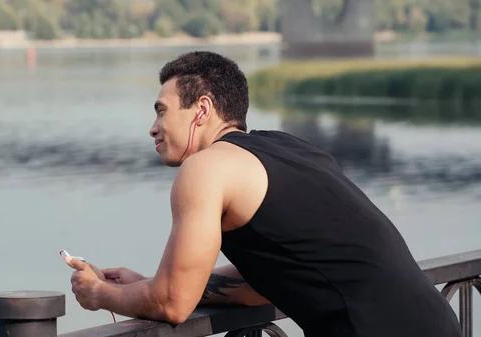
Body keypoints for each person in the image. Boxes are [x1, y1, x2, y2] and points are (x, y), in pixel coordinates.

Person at [66, 51, 462, 337]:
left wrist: (101, 293)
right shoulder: (293, 149)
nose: (153, 127)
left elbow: (173, 303)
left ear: (201, 110)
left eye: (161, 111)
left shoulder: (205, 168)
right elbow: (263, 280)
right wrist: (147, 284)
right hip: (438, 322)